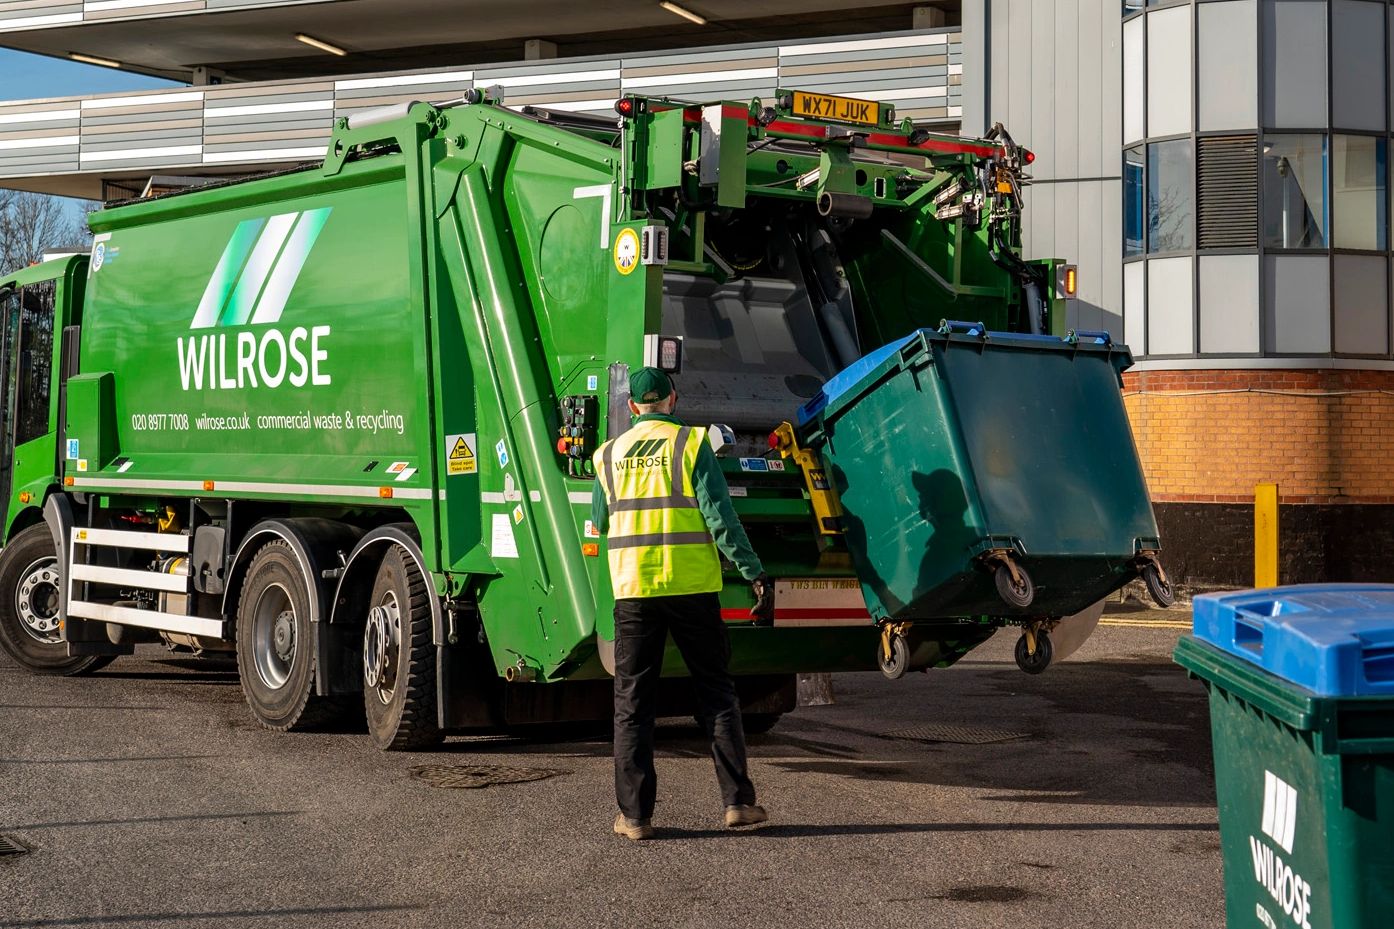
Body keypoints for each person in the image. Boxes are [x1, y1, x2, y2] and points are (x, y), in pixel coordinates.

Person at [591, 366, 776, 840]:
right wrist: (753, 572)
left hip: (634, 593)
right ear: (672, 400)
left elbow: (600, 524)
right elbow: (720, 518)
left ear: (632, 407)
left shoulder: (606, 456)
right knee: (716, 694)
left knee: (632, 704)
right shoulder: (691, 444)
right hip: (692, 589)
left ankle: (635, 817)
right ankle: (737, 804)